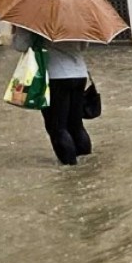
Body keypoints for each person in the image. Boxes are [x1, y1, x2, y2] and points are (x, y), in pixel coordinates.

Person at [11, 27, 90, 165]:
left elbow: (20, 45)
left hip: (55, 76)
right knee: (76, 124)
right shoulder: (76, 17)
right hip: (79, 74)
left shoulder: (34, 20)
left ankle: (70, 169)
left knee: (57, 127)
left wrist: (18, 30)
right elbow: (83, 46)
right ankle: (87, 164)